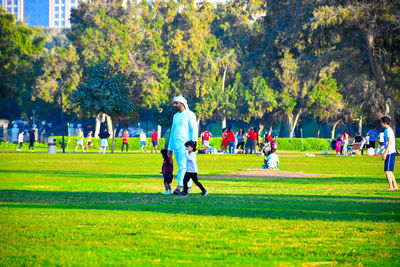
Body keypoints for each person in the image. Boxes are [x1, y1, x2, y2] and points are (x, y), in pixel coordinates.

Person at [167, 96, 197, 195]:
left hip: (187, 146)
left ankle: (179, 186)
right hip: (176, 146)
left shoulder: (190, 115)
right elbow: (172, 132)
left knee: (183, 166)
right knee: (183, 166)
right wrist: (170, 148)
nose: (174, 105)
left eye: (176, 103)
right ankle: (187, 188)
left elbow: (194, 130)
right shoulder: (175, 116)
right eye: (174, 103)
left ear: (182, 104)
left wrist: (193, 145)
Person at [381, 116, 398, 191]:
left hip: (390, 152)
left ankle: (391, 186)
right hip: (390, 152)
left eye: (381, 122)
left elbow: (390, 142)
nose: (380, 124)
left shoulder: (388, 130)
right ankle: (395, 186)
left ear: (385, 123)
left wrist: (385, 152)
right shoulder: (387, 130)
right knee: (389, 170)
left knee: (387, 171)